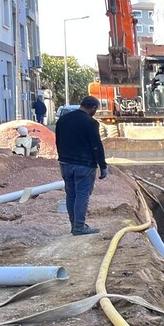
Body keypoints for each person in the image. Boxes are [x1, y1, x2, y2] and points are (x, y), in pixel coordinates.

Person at [54, 95, 108, 236]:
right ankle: (79, 227)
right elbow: (96, 146)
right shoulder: (90, 123)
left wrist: (62, 157)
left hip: (65, 163)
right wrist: (103, 166)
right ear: (93, 108)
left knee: (71, 195)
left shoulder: (63, 120)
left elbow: (57, 140)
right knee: (82, 195)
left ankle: (74, 226)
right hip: (84, 165)